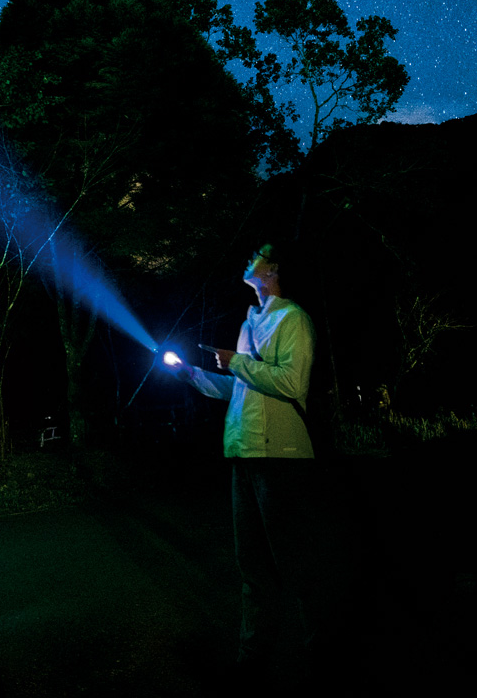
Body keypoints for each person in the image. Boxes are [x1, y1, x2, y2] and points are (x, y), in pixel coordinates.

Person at [172, 242, 332, 678]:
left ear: (273, 270)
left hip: (282, 457)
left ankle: (323, 655)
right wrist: (196, 376)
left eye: (258, 254)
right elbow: (241, 389)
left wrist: (238, 361)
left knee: (296, 562)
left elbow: (292, 383)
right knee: (254, 568)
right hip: (244, 453)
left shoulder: (292, 318)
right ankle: (252, 661)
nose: (248, 257)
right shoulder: (249, 324)